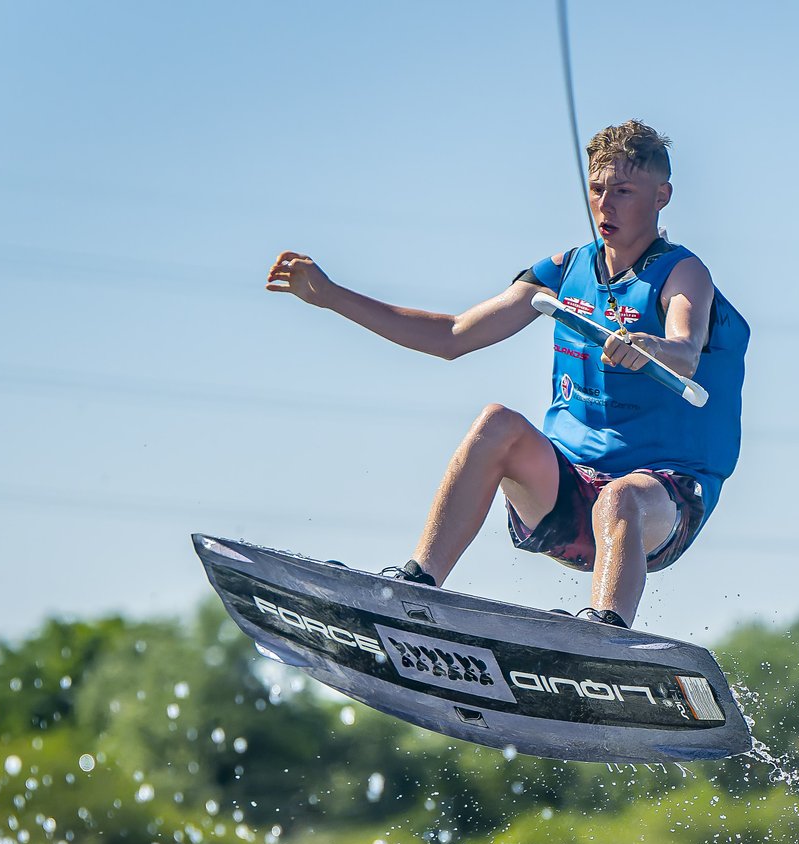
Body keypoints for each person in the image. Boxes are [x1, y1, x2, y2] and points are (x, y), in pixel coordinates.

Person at [263, 120, 746, 628]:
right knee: (496, 423)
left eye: (624, 191)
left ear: (661, 196)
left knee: (620, 497)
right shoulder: (563, 271)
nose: (606, 205)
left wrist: (648, 347)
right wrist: (331, 296)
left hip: (658, 504)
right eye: (598, 189)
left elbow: (686, 349)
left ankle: (605, 634)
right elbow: (452, 336)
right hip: (565, 495)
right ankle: (414, 588)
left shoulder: (682, 272)